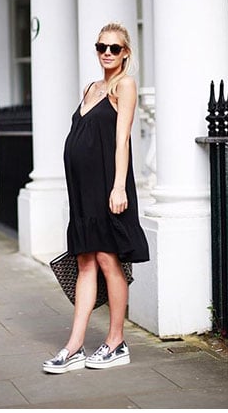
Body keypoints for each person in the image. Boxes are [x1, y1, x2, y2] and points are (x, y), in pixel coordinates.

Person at [43, 23, 150, 373]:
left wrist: (118, 187)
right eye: (101, 46)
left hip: (106, 187)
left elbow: (122, 141)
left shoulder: (125, 86)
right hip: (82, 192)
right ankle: (74, 346)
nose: (107, 52)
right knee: (85, 261)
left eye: (114, 48)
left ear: (125, 53)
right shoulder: (91, 88)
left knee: (107, 260)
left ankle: (116, 342)